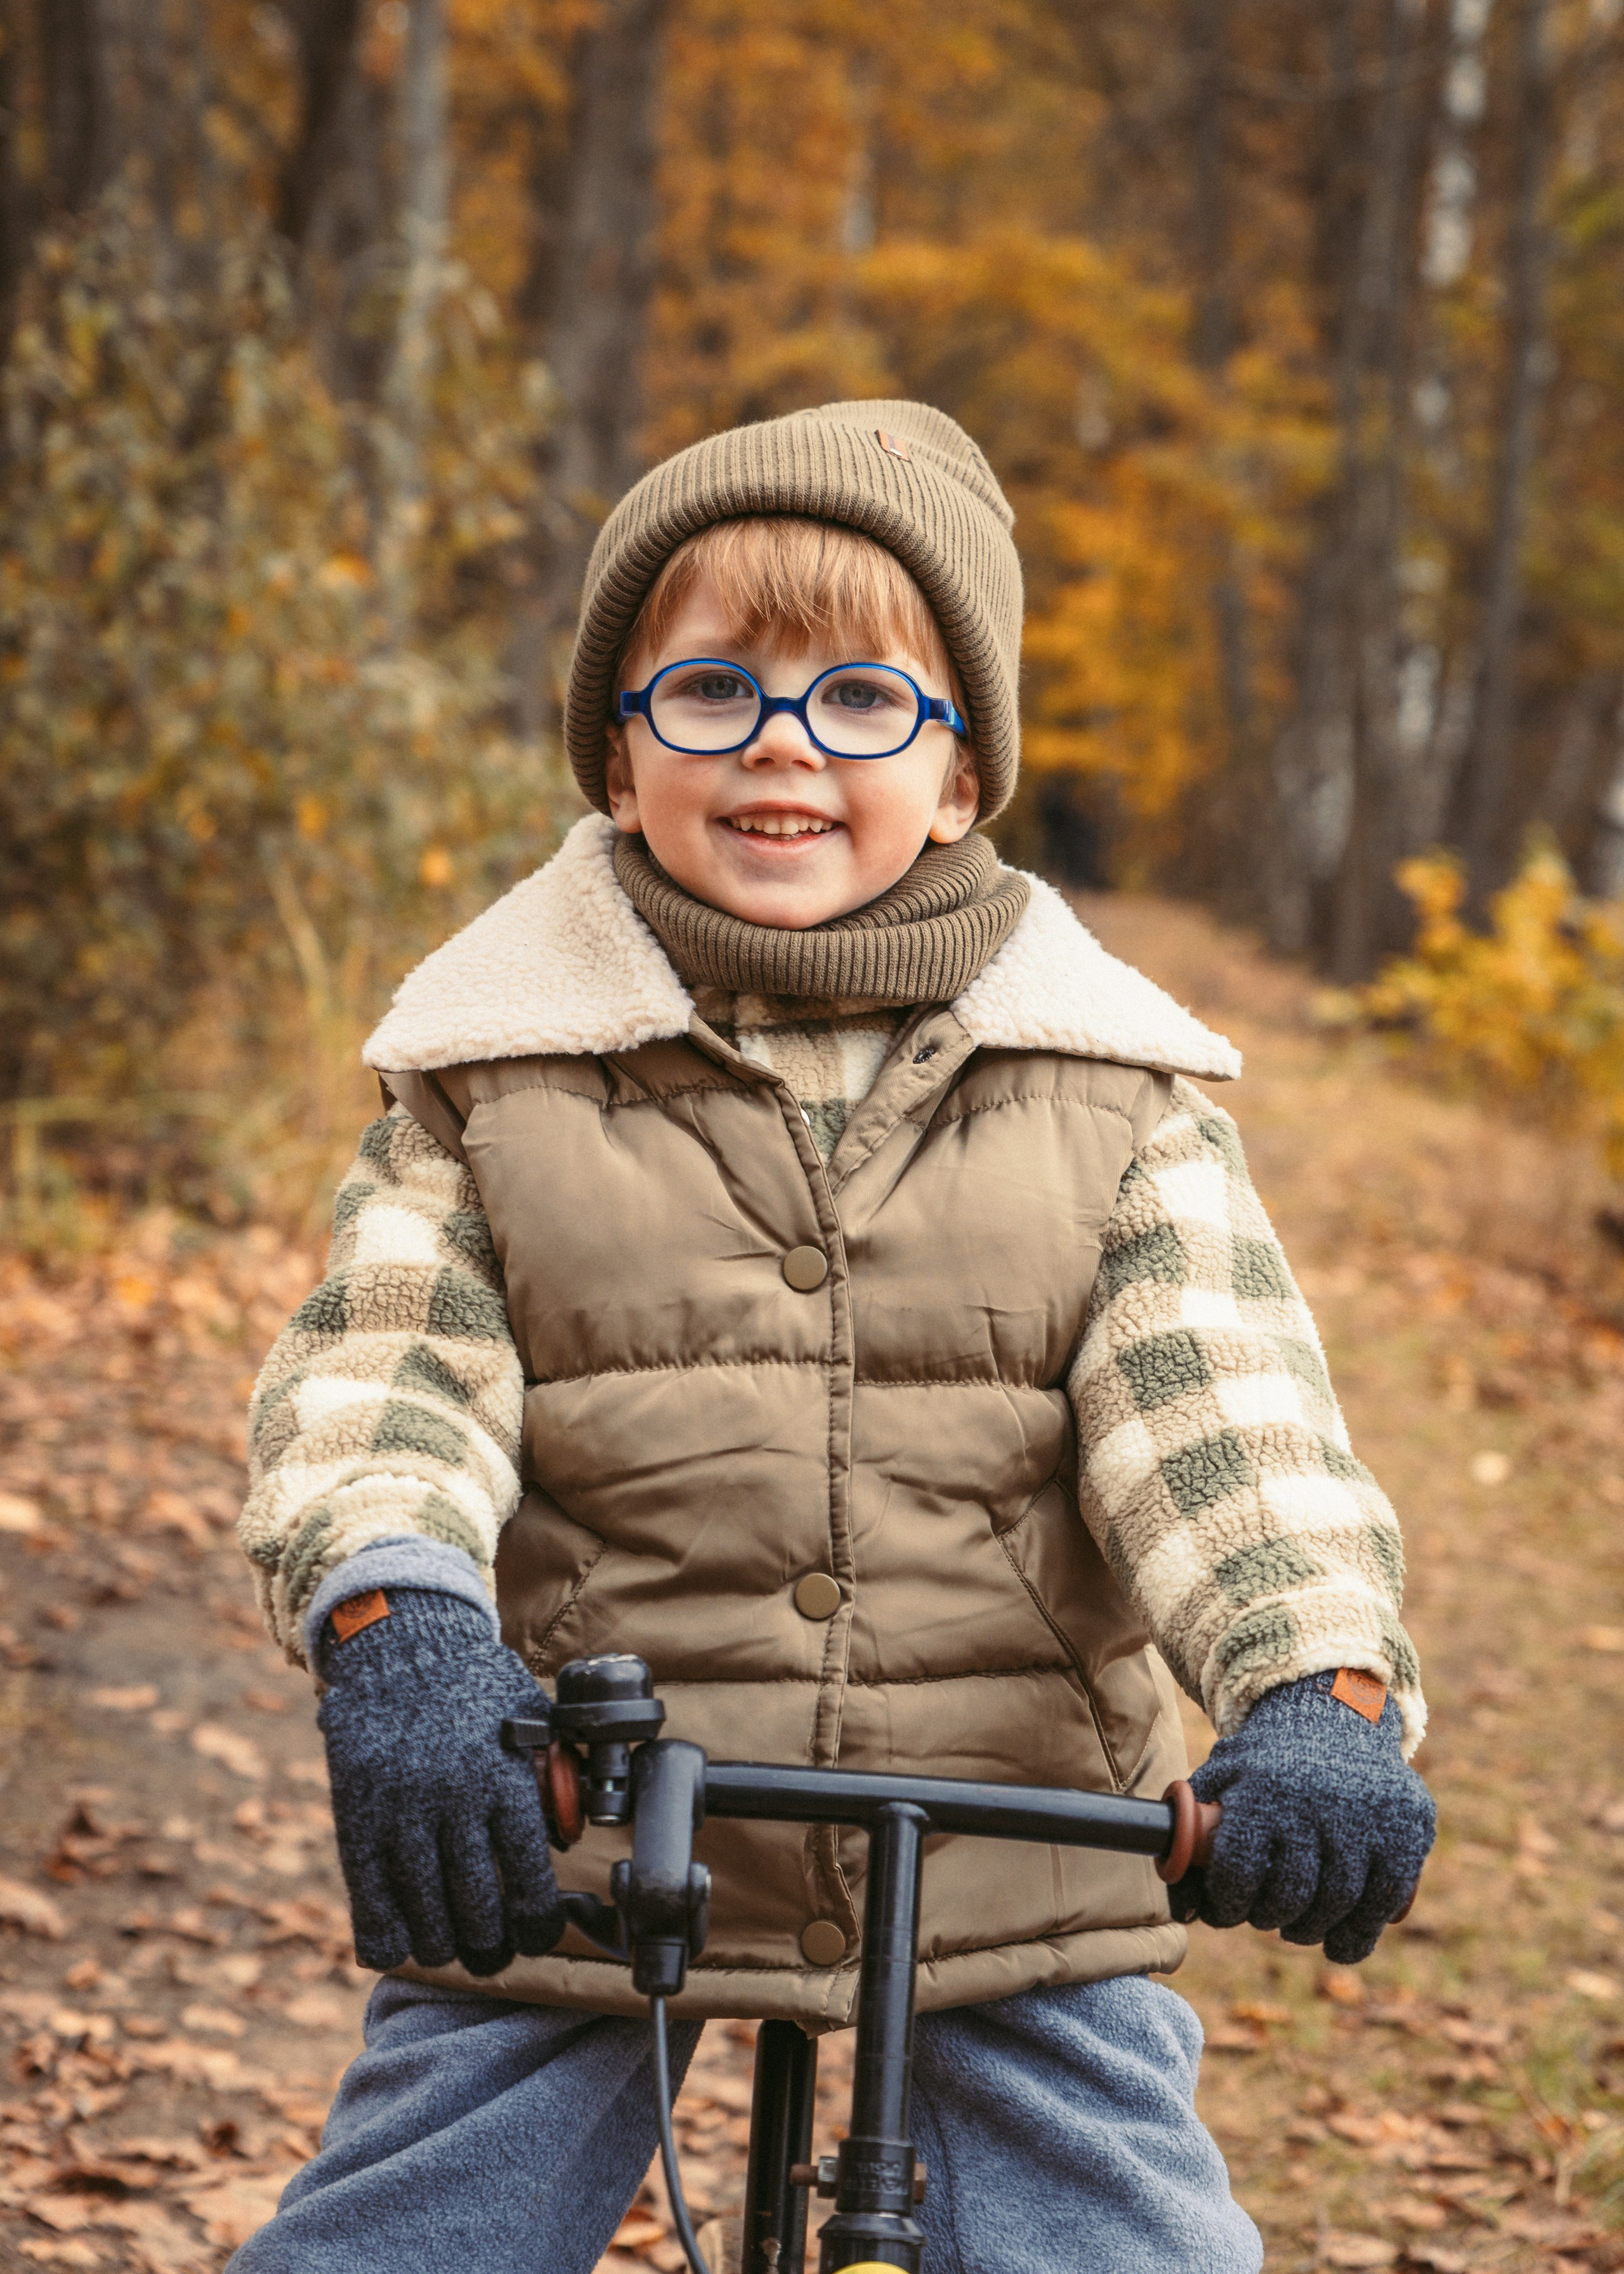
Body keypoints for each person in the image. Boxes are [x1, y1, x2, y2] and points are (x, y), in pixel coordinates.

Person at [230, 400, 1434, 2274]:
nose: (784, 748)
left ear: (959, 776)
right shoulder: (489, 1077)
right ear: (619, 758)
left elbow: (1231, 1435)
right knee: (407, 2235)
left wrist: (1320, 1693)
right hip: (581, 1827)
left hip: (1008, 1848)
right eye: (711, 691)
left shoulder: (1115, 1097)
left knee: (1123, 2251)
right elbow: (386, 1376)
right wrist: (402, 1624)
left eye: (864, 701)